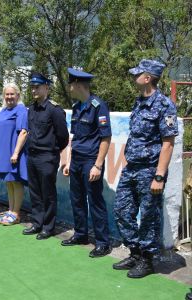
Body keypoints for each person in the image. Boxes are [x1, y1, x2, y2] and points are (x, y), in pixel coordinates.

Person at [113, 59, 178, 278]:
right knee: (122, 210)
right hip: (132, 168)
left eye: (137, 74)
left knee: (149, 216)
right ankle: (135, 252)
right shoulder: (139, 102)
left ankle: (148, 260)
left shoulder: (164, 105)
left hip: (151, 170)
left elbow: (168, 143)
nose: (134, 77)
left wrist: (159, 176)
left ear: (147, 78)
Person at [61, 68, 112, 258]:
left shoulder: (98, 106)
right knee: (77, 199)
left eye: (70, 84)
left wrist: (98, 165)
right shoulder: (76, 107)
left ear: (77, 85)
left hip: (91, 160)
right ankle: (81, 234)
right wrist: (68, 161)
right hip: (77, 160)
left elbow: (106, 138)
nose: (69, 88)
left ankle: (102, 243)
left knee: (95, 201)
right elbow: (74, 138)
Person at [23, 72, 69, 239]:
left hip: (47, 157)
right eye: (32, 87)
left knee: (48, 193)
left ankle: (48, 227)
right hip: (32, 155)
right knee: (35, 191)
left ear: (46, 88)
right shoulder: (32, 108)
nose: (34, 90)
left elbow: (63, 137)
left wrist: (52, 150)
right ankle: (37, 223)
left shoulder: (54, 110)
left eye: (37, 87)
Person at [0, 83, 28, 225]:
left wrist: (16, 153)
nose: (9, 97)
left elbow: (24, 132)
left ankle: (16, 213)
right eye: (7, 94)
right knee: (9, 182)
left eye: (12, 94)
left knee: (16, 181)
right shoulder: (3, 111)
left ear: (18, 95)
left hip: (15, 153)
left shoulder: (21, 110)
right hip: (4, 152)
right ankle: (10, 210)